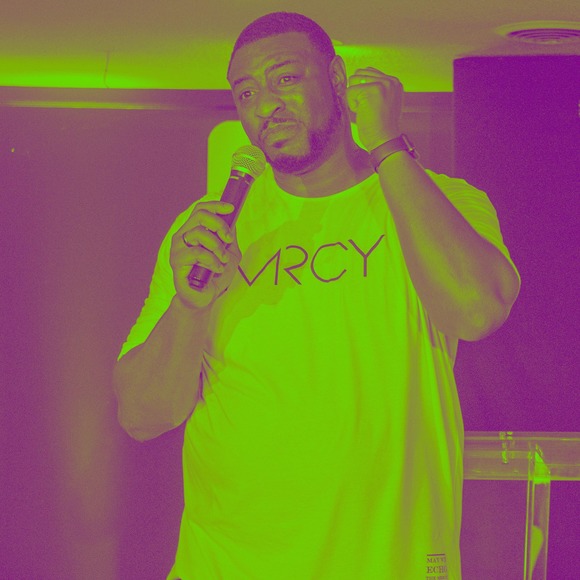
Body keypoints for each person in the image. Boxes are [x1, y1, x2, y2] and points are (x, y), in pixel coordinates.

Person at [113, 11, 521, 580]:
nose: (265, 105)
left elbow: (477, 309)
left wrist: (387, 145)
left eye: (284, 78)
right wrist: (188, 306)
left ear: (337, 79)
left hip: (389, 564)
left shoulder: (437, 201)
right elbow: (141, 415)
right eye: (245, 92)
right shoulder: (208, 231)